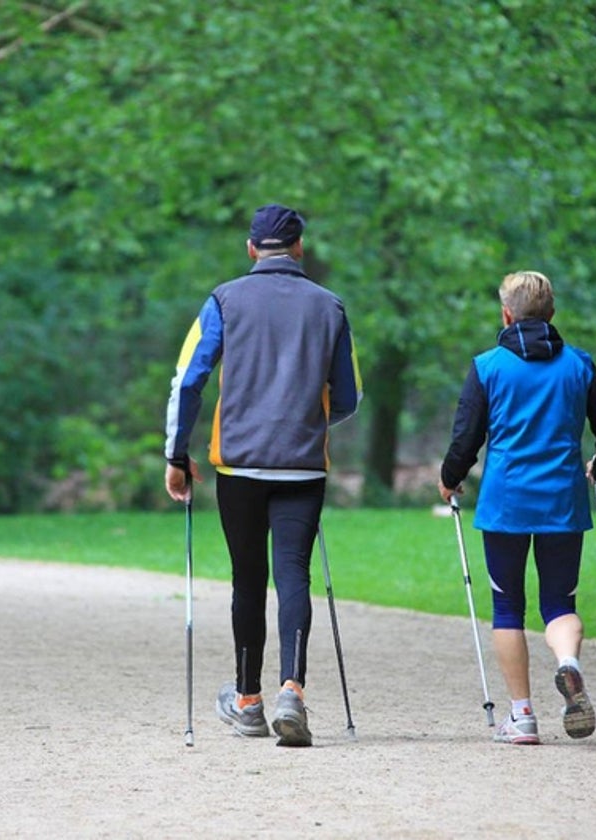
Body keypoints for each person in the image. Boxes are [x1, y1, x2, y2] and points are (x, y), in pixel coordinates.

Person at [164, 204, 362, 747]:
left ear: (251, 249)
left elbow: (188, 381)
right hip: (302, 465)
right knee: (293, 574)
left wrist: (176, 456)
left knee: (247, 579)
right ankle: (291, 690)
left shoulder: (223, 300)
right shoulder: (331, 306)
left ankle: (248, 702)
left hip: (240, 464)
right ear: (300, 248)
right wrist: (310, 416)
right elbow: (349, 397)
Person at [438, 270, 596, 745]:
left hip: (507, 502)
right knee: (560, 603)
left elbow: (467, 438)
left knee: (507, 607)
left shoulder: (488, 366)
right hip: (562, 499)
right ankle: (568, 664)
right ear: (552, 313)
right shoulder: (580, 365)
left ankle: (522, 716)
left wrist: (449, 478)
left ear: (506, 314)